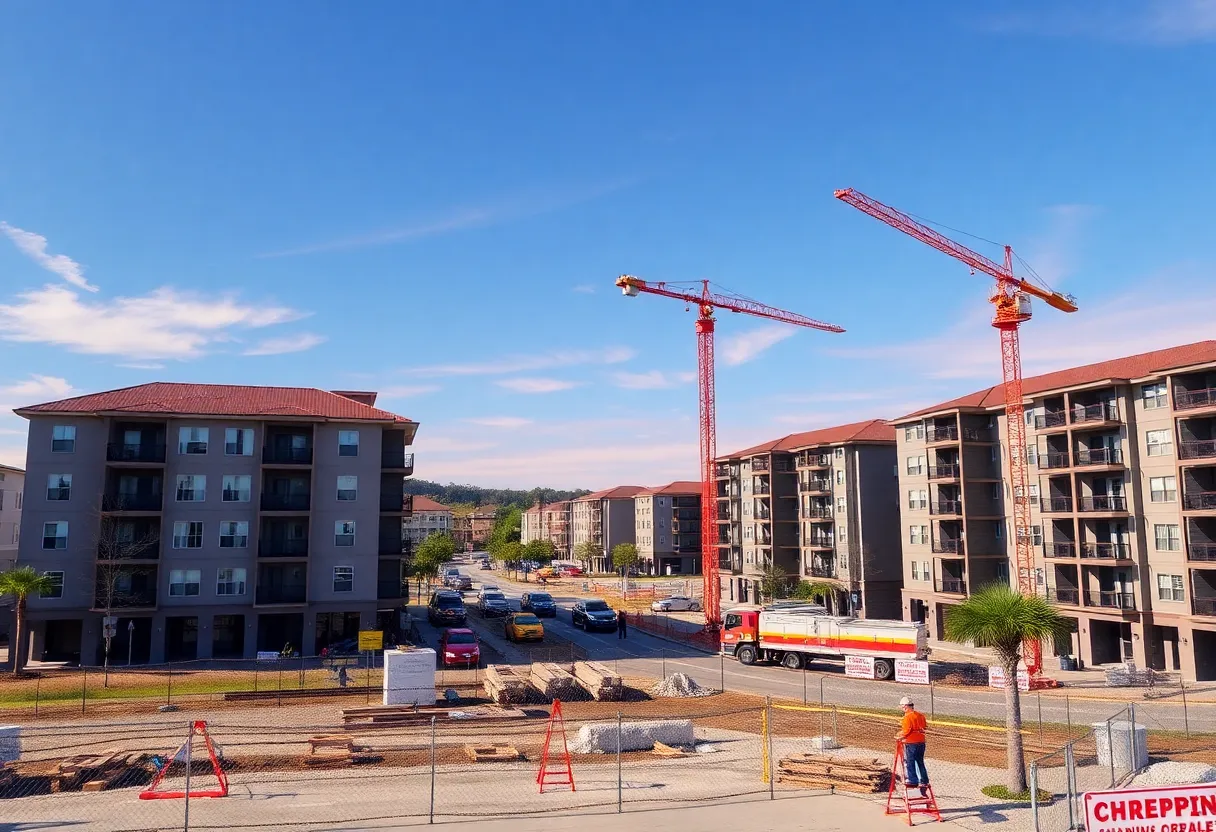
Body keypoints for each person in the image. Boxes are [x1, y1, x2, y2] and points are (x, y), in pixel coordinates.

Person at [895, 696, 929, 796]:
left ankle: (912, 780)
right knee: (920, 762)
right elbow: (924, 727)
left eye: (902, 707)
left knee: (910, 761)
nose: (902, 709)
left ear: (905, 707)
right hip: (921, 742)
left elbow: (906, 731)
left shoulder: (907, 717)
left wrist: (899, 736)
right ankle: (924, 780)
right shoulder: (920, 715)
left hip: (911, 742)